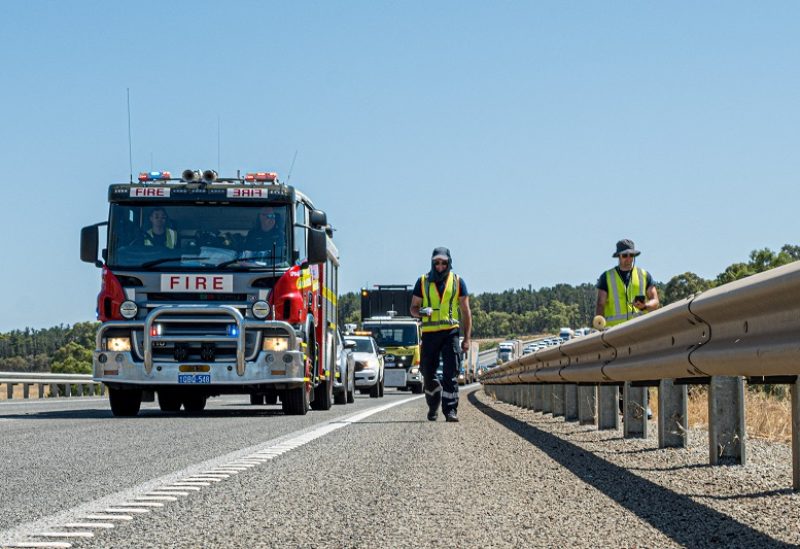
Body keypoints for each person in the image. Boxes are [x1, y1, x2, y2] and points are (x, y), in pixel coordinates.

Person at [596, 238, 660, 418]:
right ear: (618, 256)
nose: (628, 258)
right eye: (625, 255)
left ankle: (644, 406)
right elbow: (600, 303)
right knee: (621, 369)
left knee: (642, 368)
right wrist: (599, 325)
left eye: (631, 255)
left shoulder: (644, 275)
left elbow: (655, 300)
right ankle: (625, 408)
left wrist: (645, 306)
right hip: (615, 332)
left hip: (639, 331)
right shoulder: (606, 277)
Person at [410, 247, 472, 423]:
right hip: (429, 334)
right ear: (432, 262)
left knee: (450, 372)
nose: (440, 266)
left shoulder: (458, 282)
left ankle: (450, 410)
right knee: (427, 373)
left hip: (450, 332)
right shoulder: (422, 282)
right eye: (436, 262)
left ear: (449, 262)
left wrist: (466, 339)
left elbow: (466, 312)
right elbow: (413, 308)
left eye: (443, 262)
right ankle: (433, 405)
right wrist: (421, 312)